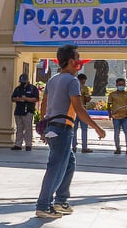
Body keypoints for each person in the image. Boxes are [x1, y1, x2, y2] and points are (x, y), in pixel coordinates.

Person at [34, 44, 106, 217]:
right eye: (78, 57)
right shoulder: (72, 81)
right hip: (62, 129)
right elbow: (79, 109)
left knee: (69, 163)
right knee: (56, 168)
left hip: (52, 127)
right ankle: (44, 205)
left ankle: (61, 200)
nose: (80, 60)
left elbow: (44, 104)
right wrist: (97, 127)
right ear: (72, 61)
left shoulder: (52, 80)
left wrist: (43, 127)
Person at [107, 77, 127, 155]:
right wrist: (110, 114)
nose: (121, 86)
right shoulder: (112, 95)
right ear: (116, 85)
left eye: (123, 84)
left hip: (125, 117)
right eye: (119, 84)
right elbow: (109, 105)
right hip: (115, 117)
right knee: (116, 133)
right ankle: (118, 148)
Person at [11, 71, 40, 150]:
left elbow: (36, 99)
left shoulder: (32, 88)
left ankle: (28, 144)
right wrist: (17, 99)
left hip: (28, 111)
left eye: (24, 81)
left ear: (27, 80)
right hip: (19, 111)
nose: (22, 83)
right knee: (19, 128)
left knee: (28, 128)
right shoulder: (17, 89)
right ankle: (18, 144)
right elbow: (12, 98)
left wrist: (26, 98)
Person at [74, 72, 92, 152]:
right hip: (77, 110)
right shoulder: (76, 87)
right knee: (76, 129)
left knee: (82, 129)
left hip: (80, 109)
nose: (83, 83)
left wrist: (88, 98)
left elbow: (87, 99)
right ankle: (76, 146)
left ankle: (81, 147)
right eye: (82, 81)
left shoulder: (84, 88)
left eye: (84, 82)